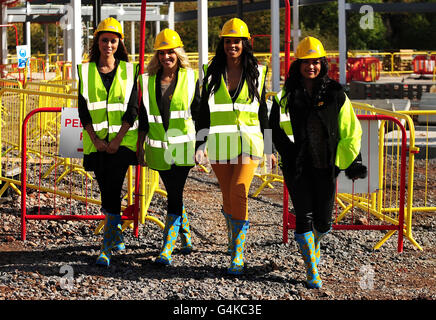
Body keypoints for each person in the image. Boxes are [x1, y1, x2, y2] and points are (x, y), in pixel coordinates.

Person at [269, 36, 367, 288]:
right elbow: (274, 127)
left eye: (315, 62)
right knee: (303, 215)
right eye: (306, 62)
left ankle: (314, 244)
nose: (311, 67)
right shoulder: (286, 95)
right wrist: (285, 153)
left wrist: (345, 161)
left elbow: (351, 129)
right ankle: (311, 270)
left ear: (322, 63)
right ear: (298, 64)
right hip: (296, 166)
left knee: (323, 222)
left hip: (325, 165)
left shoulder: (335, 93)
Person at [195, 18, 270, 275]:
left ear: (245, 43)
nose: (232, 45)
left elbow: (263, 113)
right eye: (228, 41)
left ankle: (238, 252)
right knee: (228, 196)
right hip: (219, 143)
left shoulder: (257, 71)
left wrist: (270, 147)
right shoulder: (210, 72)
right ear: (222, 43)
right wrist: (200, 143)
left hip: (249, 143)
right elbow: (203, 112)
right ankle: (231, 230)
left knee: (239, 190)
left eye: (236, 41)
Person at [77, 17, 139, 267]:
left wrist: (117, 140)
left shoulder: (129, 70)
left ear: (119, 43)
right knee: (106, 189)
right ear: (97, 42)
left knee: (113, 185)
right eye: (105, 40)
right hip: (97, 143)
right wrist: (96, 139)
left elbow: (133, 108)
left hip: (122, 143)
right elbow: (83, 109)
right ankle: (115, 233)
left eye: (113, 41)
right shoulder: (86, 70)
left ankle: (107, 244)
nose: (109, 45)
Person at [137, 28, 200, 266]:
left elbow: (198, 113)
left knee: (174, 193)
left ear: (178, 53)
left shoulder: (191, 78)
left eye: (170, 52)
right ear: (157, 56)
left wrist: (202, 144)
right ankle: (185, 235)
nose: (166, 57)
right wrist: (139, 145)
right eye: (162, 53)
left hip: (183, 146)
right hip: (158, 148)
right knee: (175, 193)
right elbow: (144, 116)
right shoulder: (147, 81)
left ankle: (166, 248)